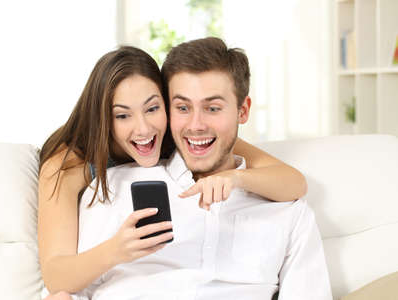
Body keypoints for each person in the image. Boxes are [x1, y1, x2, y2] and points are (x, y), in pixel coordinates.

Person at [38, 45, 308, 300]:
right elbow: (55, 275)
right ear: (103, 118)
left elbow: (293, 182)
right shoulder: (68, 164)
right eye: (122, 116)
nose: (143, 129)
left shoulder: (184, 135)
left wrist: (232, 178)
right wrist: (117, 249)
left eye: (152, 108)